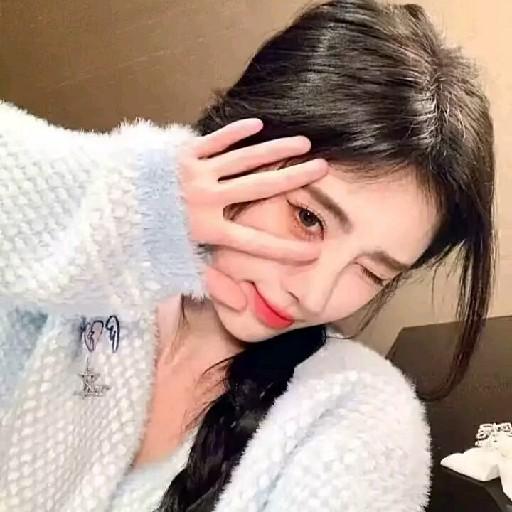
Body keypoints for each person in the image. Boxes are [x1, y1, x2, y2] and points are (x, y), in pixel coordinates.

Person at [0, 0, 495, 511]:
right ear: (233, 144)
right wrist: (134, 203)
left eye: (371, 271)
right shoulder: (63, 282)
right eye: (307, 217)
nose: (314, 295)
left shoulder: (358, 417)